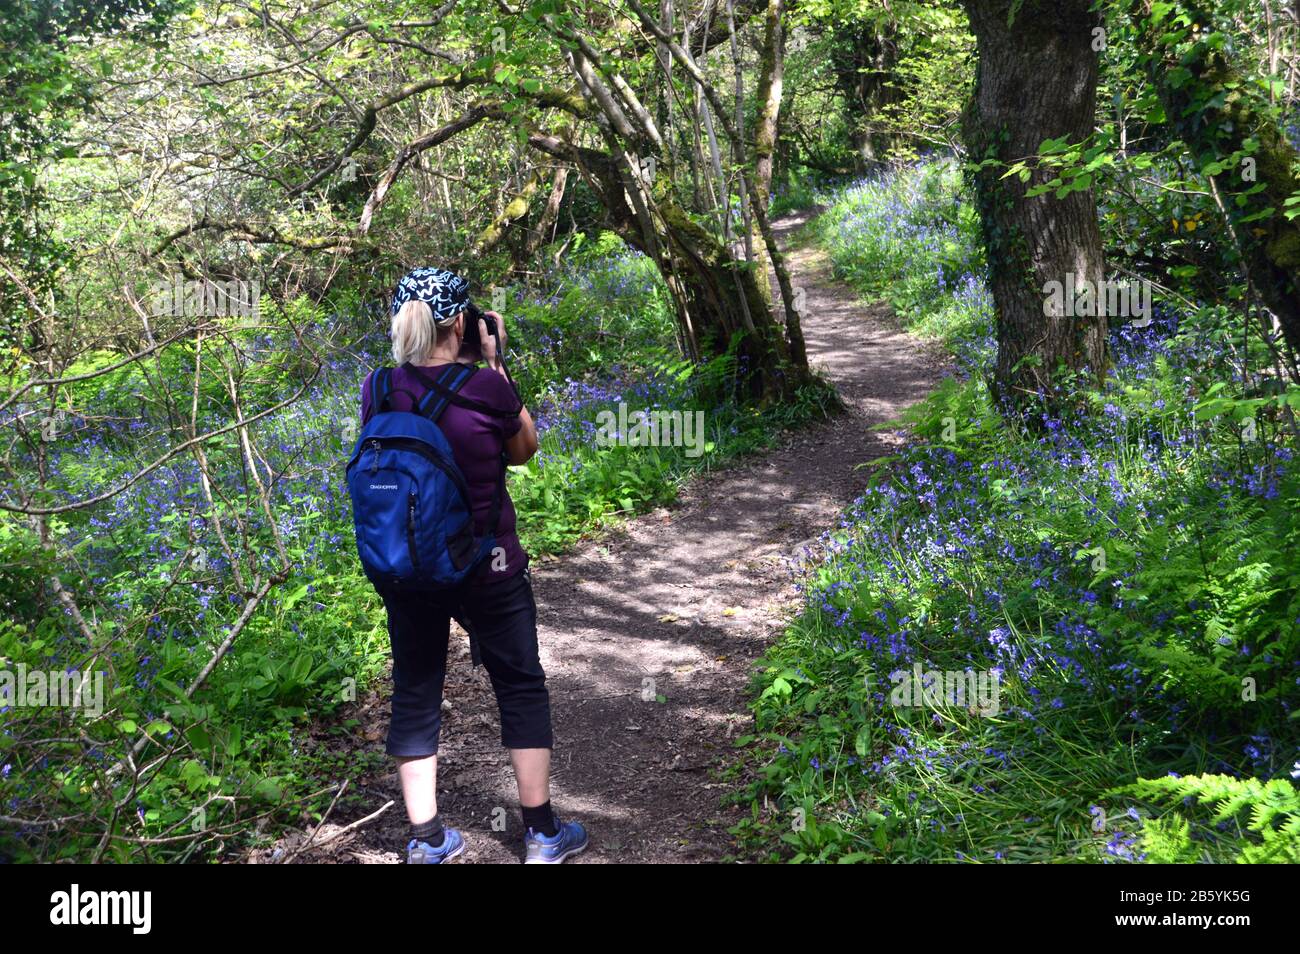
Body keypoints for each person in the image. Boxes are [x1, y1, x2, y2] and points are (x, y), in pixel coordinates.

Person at [360, 267, 588, 864]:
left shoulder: (377, 388)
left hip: (408, 567)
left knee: (415, 690)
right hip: (488, 564)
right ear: (460, 322)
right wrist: (495, 363)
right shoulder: (487, 388)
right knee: (519, 683)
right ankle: (541, 835)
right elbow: (524, 451)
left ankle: (427, 840)